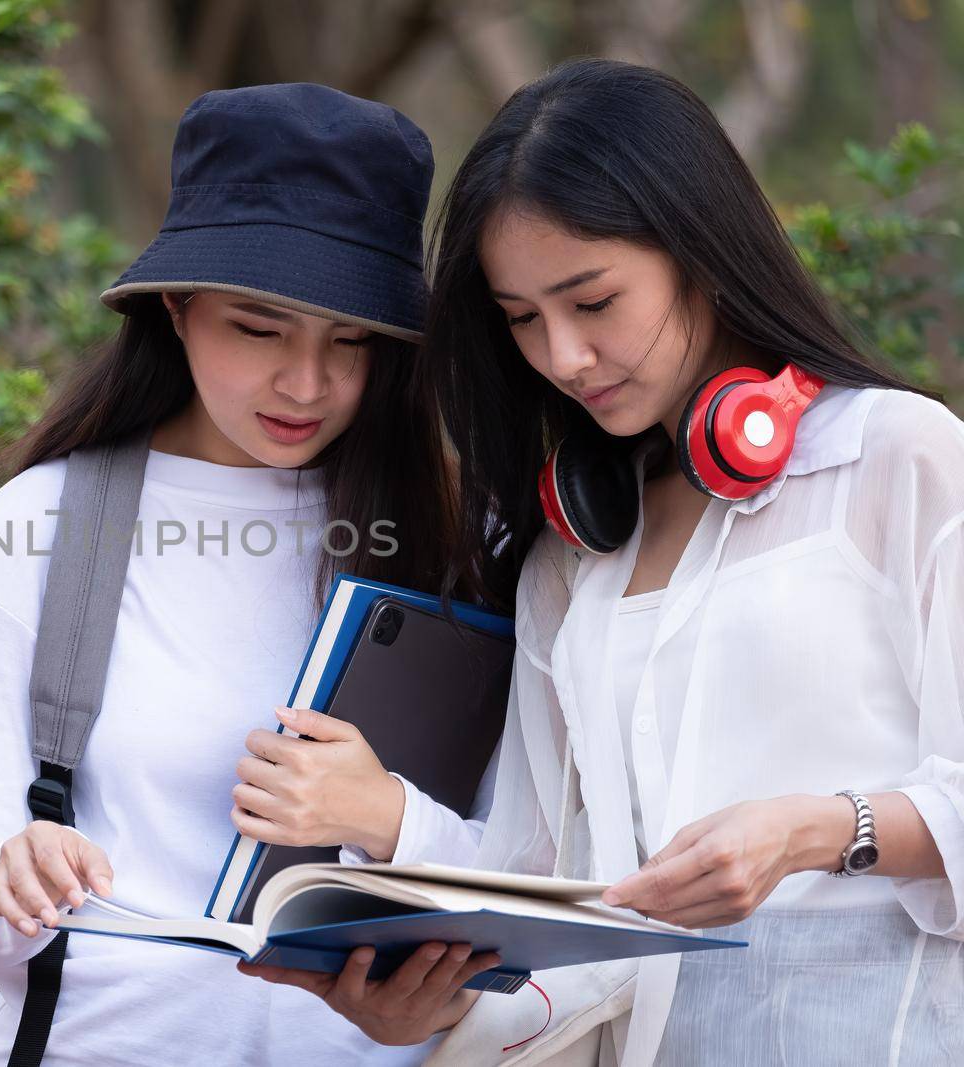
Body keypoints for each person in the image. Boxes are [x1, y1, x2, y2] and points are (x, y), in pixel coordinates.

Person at [255, 58, 964, 1064]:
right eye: (521, 319)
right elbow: (560, 911)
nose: (561, 357)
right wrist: (438, 1006)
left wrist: (817, 828)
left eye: (591, 301)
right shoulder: (568, 556)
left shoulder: (896, 456)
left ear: (699, 251)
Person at [0, 83, 499, 1066]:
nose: (306, 384)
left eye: (351, 341)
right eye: (259, 328)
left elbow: (540, 870)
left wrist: (385, 817)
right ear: (176, 309)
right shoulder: (42, 525)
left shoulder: (454, 536)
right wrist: (4, 879)